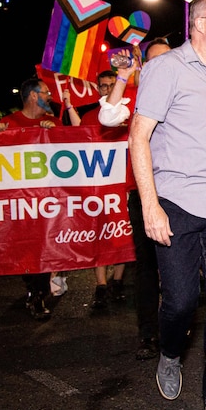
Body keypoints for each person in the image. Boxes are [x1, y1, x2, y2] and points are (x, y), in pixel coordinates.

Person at [128, 0, 206, 410]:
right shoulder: (166, 69)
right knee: (179, 301)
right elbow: (138, 137)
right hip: (176, 199)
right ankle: (171, 352)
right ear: (197, 24)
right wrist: (150, 204)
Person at [97, 38, 169, 360]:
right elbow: (109, 117)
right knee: (147, 266)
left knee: (179, 266)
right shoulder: (137, 95)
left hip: (181, 194)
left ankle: (175, 323)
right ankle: (149, 334)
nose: (162, 67)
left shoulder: (186, 90)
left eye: (167, 59)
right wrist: (124, 76)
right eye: (153, 61)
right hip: (142, 194)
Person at [0, 78, 66, 319]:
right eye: (46, 92)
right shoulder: (8, 123)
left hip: (47, 199)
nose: (50, 95)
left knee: (43, 246)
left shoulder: (53, 122)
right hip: (18, 201)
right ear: (33, 96)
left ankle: (38, 293)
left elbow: (71, 152)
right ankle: (33, 288)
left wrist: (56, 134)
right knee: (25, 247)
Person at [81, 68, 131, 309]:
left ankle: (118, 281)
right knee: (100, 234)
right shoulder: (90, 118)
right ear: (97, 88)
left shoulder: (131, 113)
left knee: (122, 235)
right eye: (104, 86)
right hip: (98, 189)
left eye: (113, 84)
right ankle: (101, 285)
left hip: (126, 187)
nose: (108, 90)